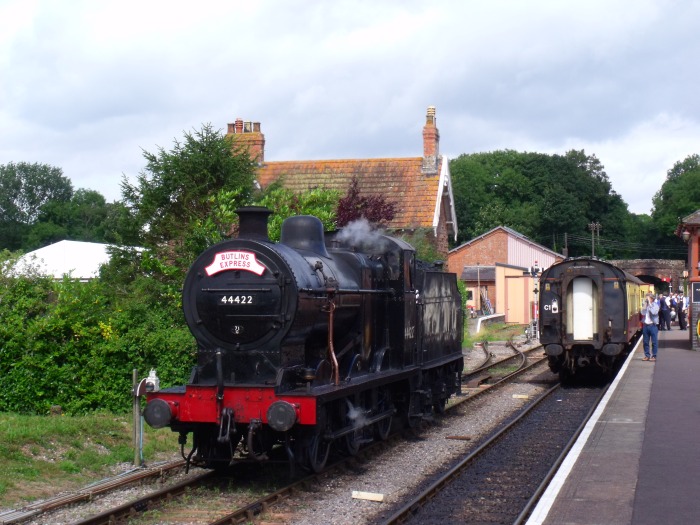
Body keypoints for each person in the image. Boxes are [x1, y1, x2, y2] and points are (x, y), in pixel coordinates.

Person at [641, 292, 659, 361]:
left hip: (653, 326)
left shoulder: (655, 305)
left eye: (647, 298)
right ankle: (647, 355)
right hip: (645, 325)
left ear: (651, 299)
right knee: (645, 342)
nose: (646, 299)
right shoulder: (646, 305)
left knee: (654, 342)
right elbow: (642, 313)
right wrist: (645, 305)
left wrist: (650, 304)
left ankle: (654, 356)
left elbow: (654, 312)